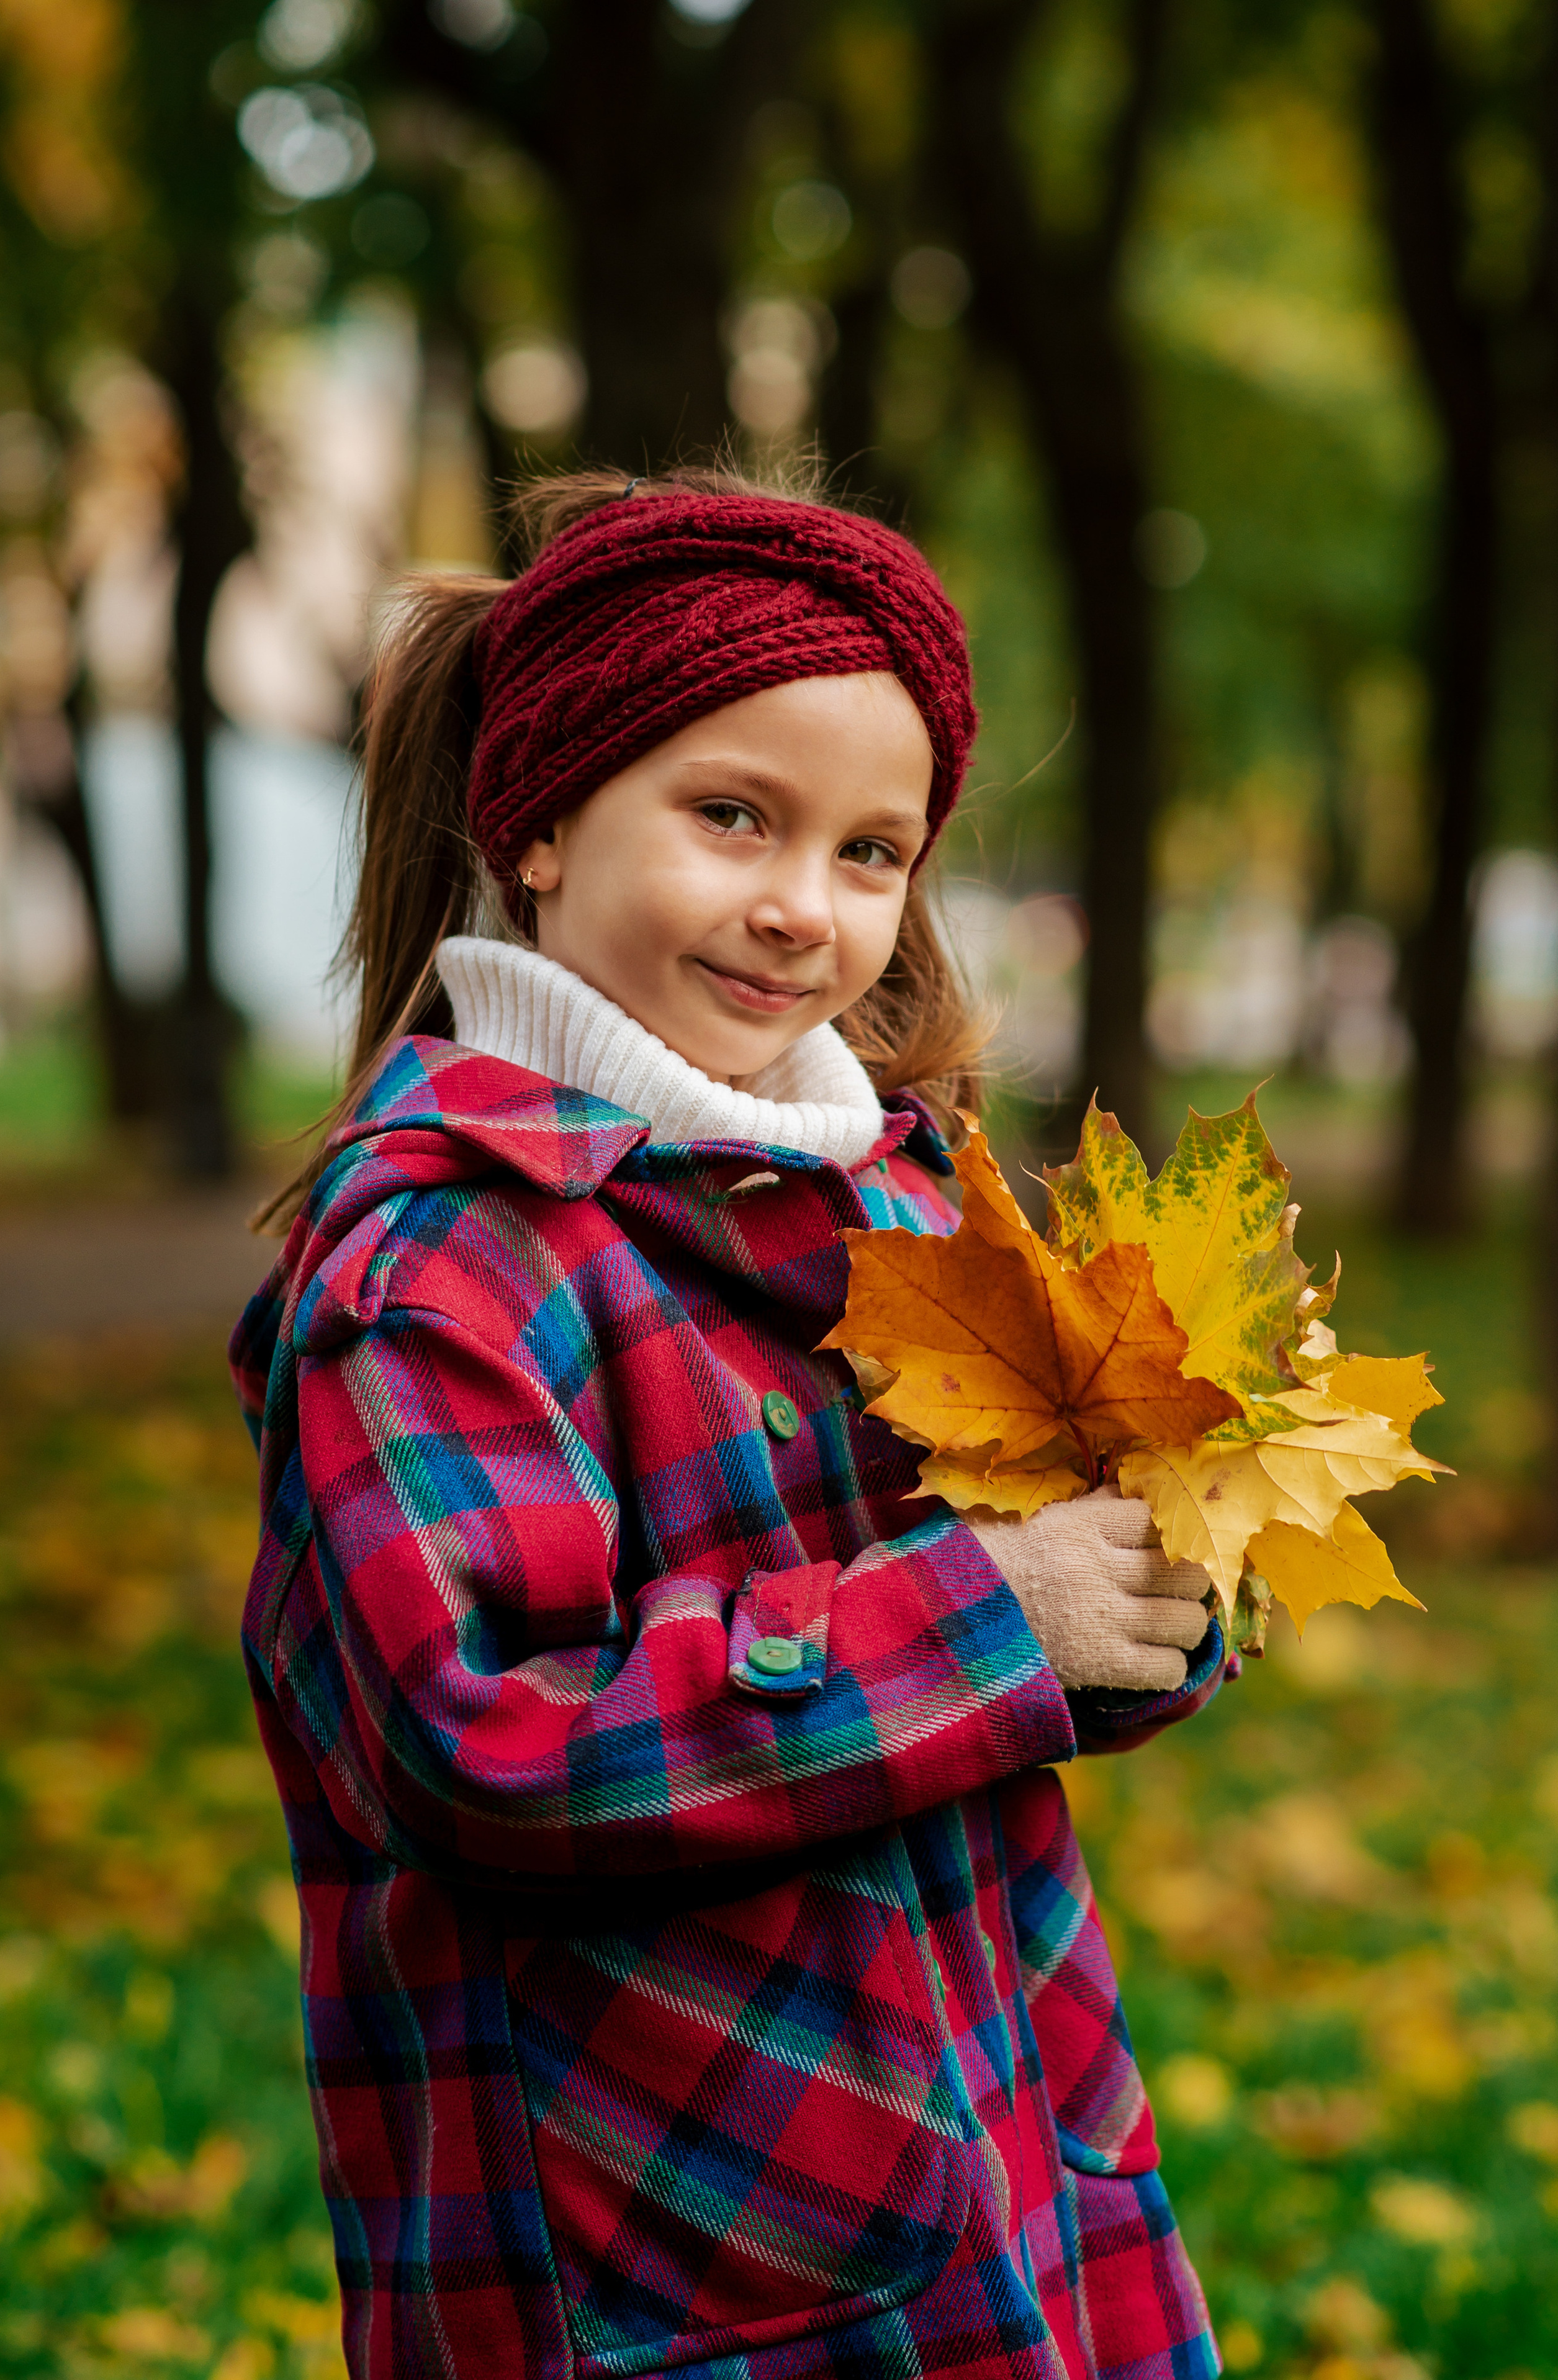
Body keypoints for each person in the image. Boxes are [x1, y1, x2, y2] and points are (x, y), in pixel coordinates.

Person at [231, 462, 1227, 2380]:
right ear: (536, 818)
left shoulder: (895, 1200)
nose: (800, 908)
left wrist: (1148, 1586)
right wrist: (993, 1616)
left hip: (1004, 2150)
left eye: (872, 852)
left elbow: (1016, 1626)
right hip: (678, 2252)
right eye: (733, 815)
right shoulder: (439, 1273)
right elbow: (487, 1743)